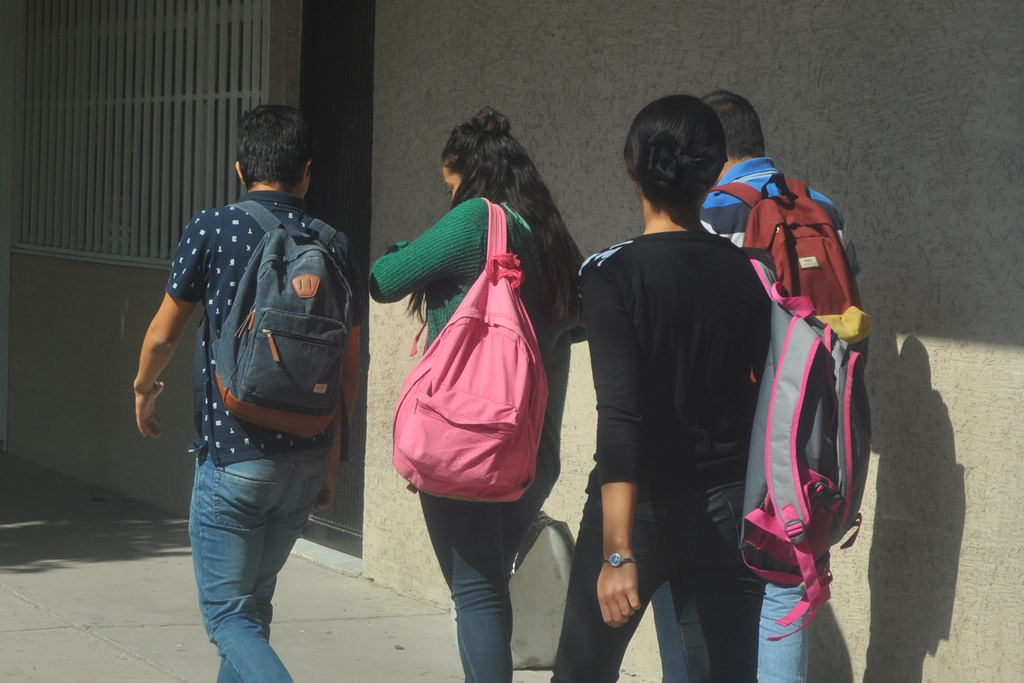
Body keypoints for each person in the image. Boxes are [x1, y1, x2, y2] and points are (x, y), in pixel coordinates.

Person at [133, 105, 364, 683]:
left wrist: (142, 387)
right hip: (306, 459)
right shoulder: (335, 245)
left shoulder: (214, 228)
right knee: (252, 613)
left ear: (239, 168)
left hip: (234, 458)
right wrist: (331, 459)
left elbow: (163, 334)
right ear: (306, 172)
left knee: (228, 619)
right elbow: (348, 369)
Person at [550, 94, 771, 683]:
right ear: (714, 175)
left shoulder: (609, 273)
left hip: (638, 511)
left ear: (631, 171)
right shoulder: (751, 271)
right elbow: (767, 399)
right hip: (730, 506)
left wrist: (616, 551)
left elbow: (621, 416)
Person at [369, 107, 586, 683]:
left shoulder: (474, 221)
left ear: (467, 175)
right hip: (533, 454)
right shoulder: (549, 234)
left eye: (450, 184)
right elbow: (579, 323)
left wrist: (405, 248)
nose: (450, 195)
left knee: (476, 591)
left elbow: (384, 279)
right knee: (488, 583)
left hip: (469, 444)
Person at [698, 89, 862, 683]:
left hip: (742, 422)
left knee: (723, 582)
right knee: (789, 579)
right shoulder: (823, 207)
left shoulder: (714, 211)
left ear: (712, 150)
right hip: (814, 417)